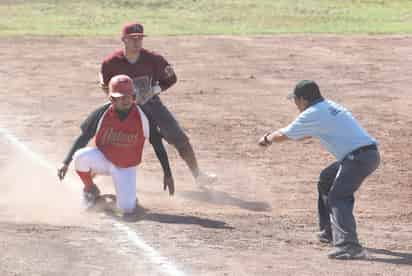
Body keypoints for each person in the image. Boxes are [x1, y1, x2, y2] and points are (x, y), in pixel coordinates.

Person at [258, 80, 380, 259]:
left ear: (303, 99)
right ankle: (330, 232)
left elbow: (285, 134)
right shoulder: (328, 106)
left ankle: (350, 246)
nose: (296, 105)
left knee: (338, 196)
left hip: (357, 159)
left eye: (296, 100)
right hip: (364, 155)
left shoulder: (313, 113)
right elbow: (305, 133)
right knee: (326, 179)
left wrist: (267, 139)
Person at [99, 21, 216, 185]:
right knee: (108, 139)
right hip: (122, 108)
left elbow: (171, 78)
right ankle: (94, 174)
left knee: (179, 138)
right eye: (132, 38)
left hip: (151, 105)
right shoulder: (110, 63)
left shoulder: (154, 59)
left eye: (140, 38)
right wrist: (117, 103)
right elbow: (105, 85)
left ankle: (198, 175)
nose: (137, 42)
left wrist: (155, 90)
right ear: (123, 40)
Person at [57, 75, 174, 218]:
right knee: (80, 157)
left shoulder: (143, 115)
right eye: (120, 97)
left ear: (134, 96)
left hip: (126, 167)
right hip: (103, 159)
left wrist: (167, 173)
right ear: (112, 99)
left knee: (126, 209)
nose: (126, 100)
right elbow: (83, 138)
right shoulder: (101, 113)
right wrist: (65, 162)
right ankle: (90, 190)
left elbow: (157, 144)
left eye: (129, 96)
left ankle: (124, 198)